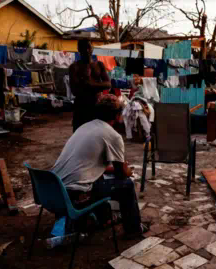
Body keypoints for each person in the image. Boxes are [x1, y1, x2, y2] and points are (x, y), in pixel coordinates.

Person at [52, 94, 144, 238]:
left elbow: (89, 164)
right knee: (126, 185)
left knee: (101, 179)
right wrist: (127, 170)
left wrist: (114, 168)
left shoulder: (85, 127)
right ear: (117, 115)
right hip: (74, 194)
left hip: (54, 190)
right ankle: (134, 230)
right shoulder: (113, 136)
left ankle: (104, 219)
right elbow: (121, 174)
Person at [69, 39, 111, 132]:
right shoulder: (75, 67)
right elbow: (75, 90)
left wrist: (90, 83)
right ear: (79, 49)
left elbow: (108, 84)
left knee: (97, 134)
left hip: (97, 105)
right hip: (81, 107)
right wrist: (97, 86)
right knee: (79, 134)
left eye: (89, 47)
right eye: (84, 48)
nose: (87, 50)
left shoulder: (99, 65)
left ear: (92, 49)